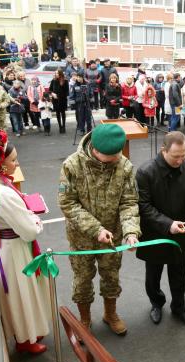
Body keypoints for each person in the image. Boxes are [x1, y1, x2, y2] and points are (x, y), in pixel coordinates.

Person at [58, 123, 140, 335]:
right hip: (81, 238)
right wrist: (96, 230)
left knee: (111, 276)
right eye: (109, 156)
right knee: (83, 279)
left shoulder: (124, 166)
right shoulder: (72, 165)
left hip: (112, 236)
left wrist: (131, 231)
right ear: (94, 149)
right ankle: (84, 320)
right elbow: (68, 203)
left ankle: (110, 314)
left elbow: (129, 202)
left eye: (117, 155)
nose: (115, 159)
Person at [0, 130, 50, 354]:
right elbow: (29, 231)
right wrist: (36, 218)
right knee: (22, 294)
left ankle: (25, 336)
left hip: (5, 247)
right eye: (13, 160)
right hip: (15, 250)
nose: (17, 164)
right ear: (0, 163)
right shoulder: (4, 194)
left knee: (18, 297)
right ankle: (25, 339)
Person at [136, 131, 185, 326]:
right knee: (153, 275)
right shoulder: (145, 172)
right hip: (154, 234)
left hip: (180, 232)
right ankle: (156, 303)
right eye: (176, 156)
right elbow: (143, 206)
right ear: (163, 150)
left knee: (179, 274)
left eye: (184, 155)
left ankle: (179, 307)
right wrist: (167, 224)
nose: (181, 160)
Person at [49, 70, 68, 134]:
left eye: (57, 73)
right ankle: (60, 126)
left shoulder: (65, 81)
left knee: (63, 113)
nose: (56, 74)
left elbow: (67, 91)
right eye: (55, 73)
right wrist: (53, 94)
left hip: (62, 99)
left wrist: (61, 95)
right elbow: (50, 90)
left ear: (60, 73)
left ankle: (64, 126)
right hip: (55, 100)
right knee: (57, 113)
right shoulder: (53, 81)